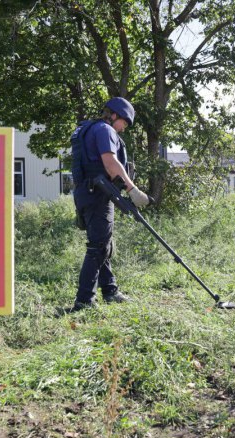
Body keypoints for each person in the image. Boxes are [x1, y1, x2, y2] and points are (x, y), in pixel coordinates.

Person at [70, 97, 150, 312]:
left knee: (102, 242)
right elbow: (110, 162)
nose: (123, 128)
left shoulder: (87, 129)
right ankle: (84, 301)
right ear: (114, 115)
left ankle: (110, 290)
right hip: (97, 193)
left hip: (85, 192)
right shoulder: (105, 130)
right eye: (124, 123)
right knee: (98, 247)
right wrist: (132, 189)